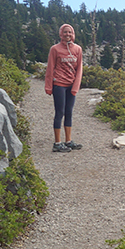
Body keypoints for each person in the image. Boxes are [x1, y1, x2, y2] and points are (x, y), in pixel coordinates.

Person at [44, 23, 84, 152]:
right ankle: (57, 143)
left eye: (70, 32)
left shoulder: (78, 49)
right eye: (65, 32)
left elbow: (79, 70)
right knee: (59, 113)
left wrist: (76, 87)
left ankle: (68, 141)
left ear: (73, 34)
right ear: (61, 34)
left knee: (69, 113)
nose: (68, 34)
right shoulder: (55, 49)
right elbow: (50, 68)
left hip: (71, 85)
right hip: (59, 85)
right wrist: (48, 86)